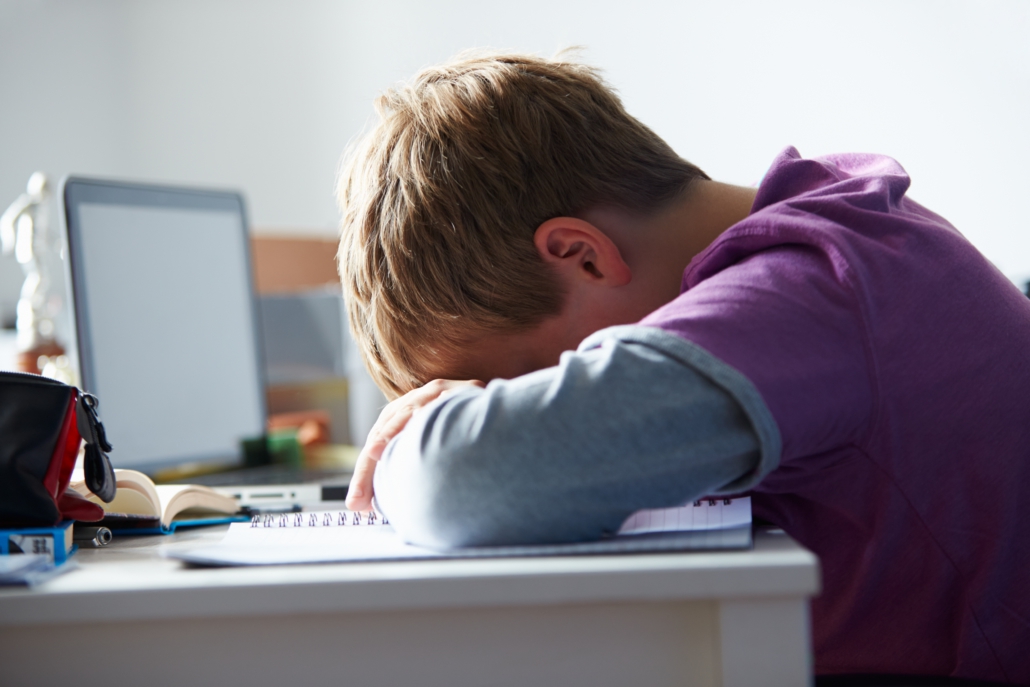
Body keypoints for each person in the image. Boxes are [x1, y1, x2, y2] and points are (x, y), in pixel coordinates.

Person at [336, 52, 1030, 683]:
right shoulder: (843, 236)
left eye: (527, 385)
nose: (545, 402)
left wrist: (409, 442)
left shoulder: (812, 292)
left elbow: (467, 479)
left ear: (583, 255)